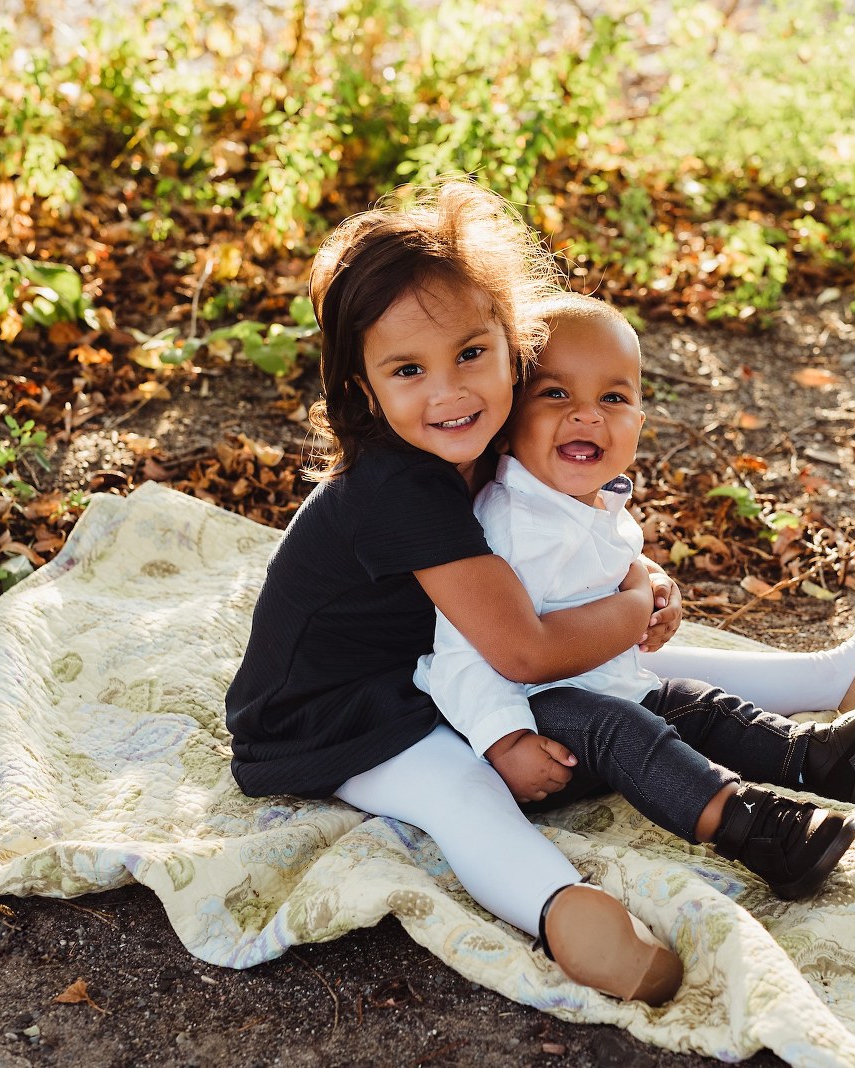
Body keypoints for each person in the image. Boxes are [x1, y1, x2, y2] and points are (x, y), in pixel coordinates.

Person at [224, 181, 684, 1004]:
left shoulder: (494, 437)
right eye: (409, 369)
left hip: (433, 660)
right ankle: (564, 911)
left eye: (472, 354)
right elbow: (525, 649)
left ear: (513, 347)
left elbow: (561, 565)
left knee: (624, 670)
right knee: (457, 785)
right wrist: (636, 602)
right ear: (366, 390)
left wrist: (631, 574)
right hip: (331, 712)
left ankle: (828, 680)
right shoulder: (399, 488)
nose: (451, 392)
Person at [414, 294, 855, 899]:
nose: (587, 416)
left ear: (639, 418)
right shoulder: (508, 524)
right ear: (507, 421)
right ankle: (752, 828)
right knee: (622, 726)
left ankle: (818, 761)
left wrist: (654, 586)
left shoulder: (586, 497)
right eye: (556, 395)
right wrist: (505, 743)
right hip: (531, 730)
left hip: (604, 686)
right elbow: (459, 656)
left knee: (693, 704)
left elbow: (610, 562)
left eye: (613, 398)